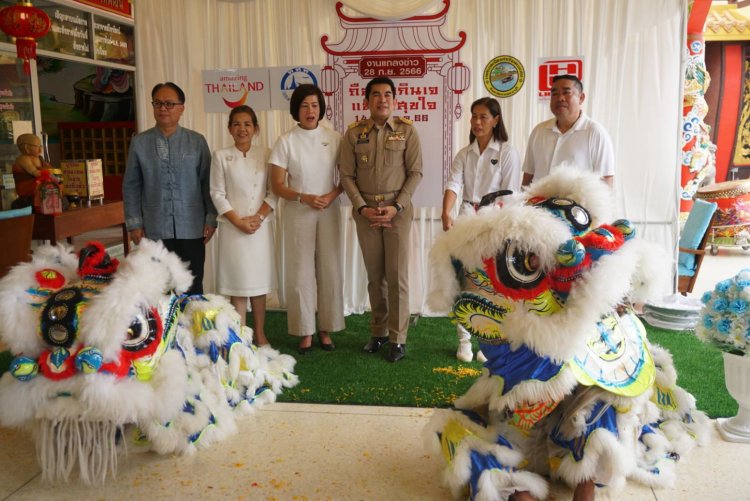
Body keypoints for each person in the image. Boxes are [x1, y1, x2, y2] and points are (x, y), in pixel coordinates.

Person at [339, 76, 423, 363]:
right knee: (375, 278)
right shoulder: (353, 134)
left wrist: (396, 206)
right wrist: (362, 208)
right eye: (376, 95)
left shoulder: (407, 132)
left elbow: (416, 173)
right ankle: (378, 332)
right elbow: (347, 176)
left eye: (388, 94)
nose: (382, 99)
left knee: (397, 276)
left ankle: (397, 339)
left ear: (395, 100)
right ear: (367, 101)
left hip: (397, 213)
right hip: (366, 214)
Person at [441, 97, 521, 363]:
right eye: (474, 116)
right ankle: (464, 340)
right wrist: (446, 212)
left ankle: (488, 344)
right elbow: (453, 184)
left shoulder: (507, 152)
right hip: (466, 217)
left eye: (483, 117)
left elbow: (510, 193)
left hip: (494, 222)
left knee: (492, 285)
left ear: (496, 120)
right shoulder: (464, 154)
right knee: (463, 279)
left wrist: (500, 226)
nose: (477, 122)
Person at [270, 84, 344, 354]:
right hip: (298, 211)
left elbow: (346, 178)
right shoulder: (285, 141)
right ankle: (304, 332)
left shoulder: (334, 138)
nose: (310, 111)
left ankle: (326, 328)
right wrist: (303, 197)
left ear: (321, 108)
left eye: (314, 105)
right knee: (300, 271)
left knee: (329, 268)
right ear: (296, 110)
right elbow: (277, 185)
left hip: (329, 210)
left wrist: (332, 195)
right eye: (304, 106)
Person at [123, 82, 217, 295]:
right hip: (154, 227)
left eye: (169, 104)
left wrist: (211, 218)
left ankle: (192, 326)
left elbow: (208, 182)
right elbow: (131, 186)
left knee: (192, 285)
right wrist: (134, 224)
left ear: (181, 108)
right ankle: (162, 328)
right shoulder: (140, 143)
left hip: (192, 227)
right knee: (158, 286)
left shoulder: (196, 142)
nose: (163, 108)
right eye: (158, 103)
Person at [210, 105, 275, 347]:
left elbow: (274, 191)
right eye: (236, 124)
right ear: (229, 128)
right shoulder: (220, 156)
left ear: (256, 128)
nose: (242, 129)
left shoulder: (267, 154)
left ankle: (259, 333)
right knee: (237, 285)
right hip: (232, 228)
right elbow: (217, 193)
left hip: (260, 228)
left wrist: (258, 217)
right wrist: (238, 221)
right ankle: (241, 336)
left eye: (247, 124)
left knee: (258, 285)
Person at [521, 74, 614, 188]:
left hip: (578, 205)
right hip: (537, 203)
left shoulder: (595, 132)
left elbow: (606, 179)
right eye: (555, 93)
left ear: (581, 98)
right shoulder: (539, 131)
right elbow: (529, 174)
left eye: (566, 92)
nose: (560, 98)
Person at [13, 133, 53, 205]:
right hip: (29, 191)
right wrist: (46, 174)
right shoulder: (23, 159)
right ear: (26, 147)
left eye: (41, 146)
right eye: (37, 146)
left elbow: (50, 169)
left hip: (43, 190)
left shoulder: (40, 158)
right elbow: (35, 172)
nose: (40, 150)